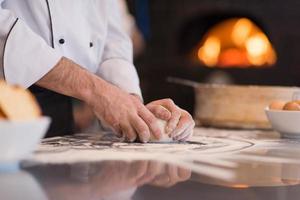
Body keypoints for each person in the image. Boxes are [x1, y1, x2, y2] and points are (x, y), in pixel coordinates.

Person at [0, 0, 194, 142]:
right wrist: (97, 91)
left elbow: (111, 34)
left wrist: (132, 105)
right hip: (6, 104)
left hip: (60, 111)